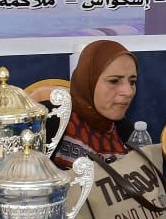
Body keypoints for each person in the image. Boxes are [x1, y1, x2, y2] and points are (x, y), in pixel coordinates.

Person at [54, 39, 138, 169]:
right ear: (88, 82)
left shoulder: (126, 133)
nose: (128, 92)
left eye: (132, 82)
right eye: (114, 81)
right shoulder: (54, 123)